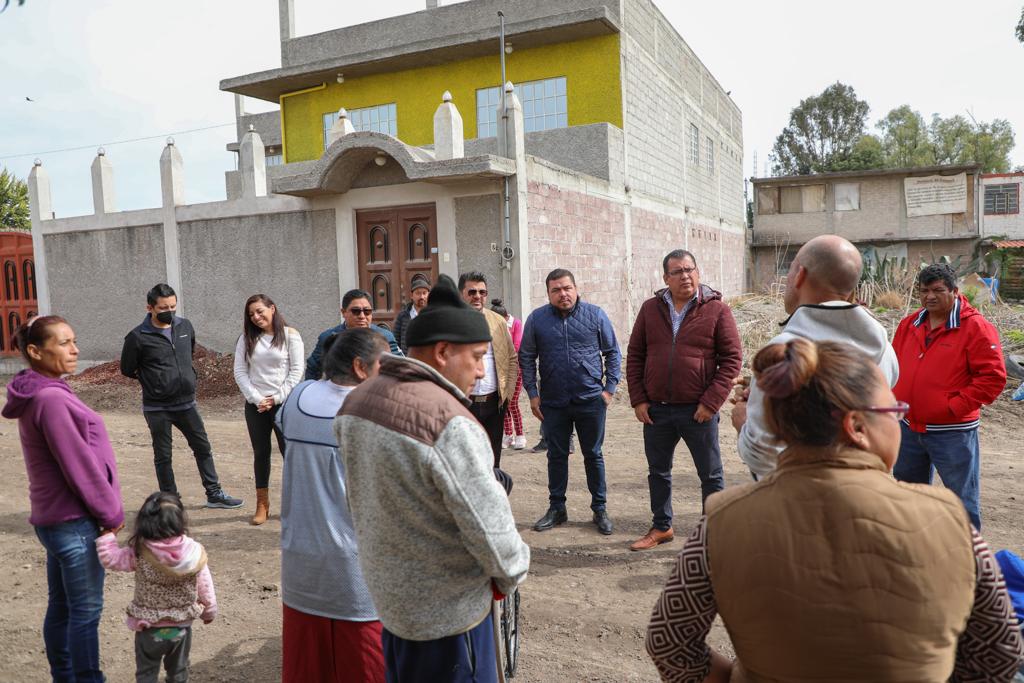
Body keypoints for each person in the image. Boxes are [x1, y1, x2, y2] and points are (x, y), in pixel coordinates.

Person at [647, 338, 1024, 682]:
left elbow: (670, 643)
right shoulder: (948, 518)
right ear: (857, 426)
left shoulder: (723, 520)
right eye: (892, 408)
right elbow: (1000, 651)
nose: (899, 418)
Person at [335, 275, 529, 683]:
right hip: (450, 621)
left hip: (392, 606)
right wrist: (513, 571)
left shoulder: (357, 401)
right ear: (443, 352)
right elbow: (493, 536)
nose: (480, 371)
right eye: (477, 357)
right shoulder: (449, 423)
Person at [2, 316, 125, 683]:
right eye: (64, 343)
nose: (75, 350)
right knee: (84, 612)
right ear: (36, 351)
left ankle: (64, 676)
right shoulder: (51, 399)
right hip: (74, 523)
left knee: (62, 608)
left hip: (55, 521)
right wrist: (111, 512)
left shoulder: (43, 391)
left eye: (74, 340)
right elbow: (79, 466)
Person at [732, 235, 898, 479]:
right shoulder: (884, 348)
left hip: (803, 503)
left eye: (788, 272)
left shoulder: (783, 350)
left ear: (800, 275)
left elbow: (764, 455)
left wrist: (744, 422)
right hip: (867, 493)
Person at [278, 328, 389, 683]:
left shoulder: (297, 398)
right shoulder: (376, 414)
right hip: (356, 571)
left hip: (300, 565)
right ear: (360, 367)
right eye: (383, 365)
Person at [626, 250, 742, 551]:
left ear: (698, 273)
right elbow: (636, 355)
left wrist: (711, 402)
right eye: (677, 271)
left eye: (689, 269)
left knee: (711, 474)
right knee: (658, 472)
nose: (685, 275)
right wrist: (639, 399)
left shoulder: (717, 310)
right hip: (657, 411)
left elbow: (731, 360)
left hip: (698, 411)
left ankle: (712, 535)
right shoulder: (651, 309)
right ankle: (662, 527)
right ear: (666, 278)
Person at [891, 263, 1006, 529]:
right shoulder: (909, 324)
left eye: (937, 290)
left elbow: (992, 378)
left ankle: (968, 560)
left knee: (960, 500)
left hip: (952, 431)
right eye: (923, 291)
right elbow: (895, 366)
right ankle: (916, 552)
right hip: (908, 427)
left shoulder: (976, 327)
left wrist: (952, 407)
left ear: (954, 291)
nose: (929, 296)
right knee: (909, 495)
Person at [121, 283, 243, 509]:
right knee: (163, 455)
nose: (170, 311)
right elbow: (127, 369)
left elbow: (190, 351)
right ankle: (171, 500)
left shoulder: (185, 326)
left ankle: (214, 493)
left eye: (173, 306)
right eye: (164, 307)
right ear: (150, 308)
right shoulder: (137, 337)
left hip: (187, 403)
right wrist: (155, 381)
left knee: (202, 447)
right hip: (157, 408)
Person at [519, 268, 621, 535]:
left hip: (591, 400)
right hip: (553, 401)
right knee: (556, 455)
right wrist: (532, 394)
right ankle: (557, 509)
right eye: (556, 290)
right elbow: (526, 358)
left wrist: (608, 390)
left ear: (576, 289)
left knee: (593, 455)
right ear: (548, 293)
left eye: (567, 288)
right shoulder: (537, 320)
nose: (563, 294)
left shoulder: (595, 315)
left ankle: (599, 509)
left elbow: (612, 353)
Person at [95, 491, 217, 683]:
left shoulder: (140, 550)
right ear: (180, 521)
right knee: (178, 672)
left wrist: (107, 537)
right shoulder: (194, 552)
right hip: (181, 628)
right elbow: (206, 588)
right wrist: (208, 612)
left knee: (146, 673)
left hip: (149, 628)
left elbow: (111, 559)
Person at [232, 294, 304, 526]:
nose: (256, 317)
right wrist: (256, 398)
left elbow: (297, 371)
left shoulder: (291, 335)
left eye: (260, 311)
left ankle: (295, 505)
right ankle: (262, 504)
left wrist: (276, 398)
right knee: (261, 453)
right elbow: (240, 372)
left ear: (272, 308)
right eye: (251, 314)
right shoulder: (246, 338)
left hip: (284, 404)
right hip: (256, 406)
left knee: (289, 454)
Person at [459, 272, 518, 467]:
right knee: (466, 461)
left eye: (482, 292)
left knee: (493, 462)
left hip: (494, 403)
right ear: (461, 294)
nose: (478, 296)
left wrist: (507, 394)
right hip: (463, 403)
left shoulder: (498, 322)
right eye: (472, 292)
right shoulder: (451, 323)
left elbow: (511, 358)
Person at [304, 288, 402, 380]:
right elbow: (313, 368)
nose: (362, 316)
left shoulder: (385, 337)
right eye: (356, 311)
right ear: (343, 312)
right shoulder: (329, 337)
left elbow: (399, 366)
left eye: (367, 311)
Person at [492, 298, 527, 450]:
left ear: (505, 317)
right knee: (503, 402)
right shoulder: (495, 325)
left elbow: (517, 345)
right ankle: (508, 435)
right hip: (500, 368)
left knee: (512, 402)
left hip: (516, 368)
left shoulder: (516, 324)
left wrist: (501, 352)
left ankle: (520, 435)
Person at [393, 274, 431, 355]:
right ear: (411, 295)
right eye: (418, 293)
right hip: (408, 361)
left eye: (424, 293)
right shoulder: (402, 316)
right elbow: (395, 341)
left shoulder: (433, 315)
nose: (422, 297)